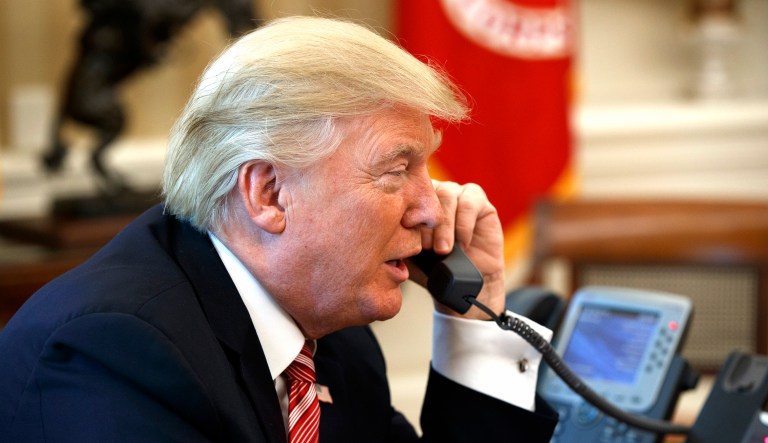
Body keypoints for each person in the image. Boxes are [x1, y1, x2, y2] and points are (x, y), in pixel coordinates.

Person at [0, 16, 557, 442]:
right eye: (396, 170)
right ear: (267, 194)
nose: (432, 210)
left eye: (425, 169)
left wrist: (476, 320)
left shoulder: (333, 332)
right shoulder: (116, 350)